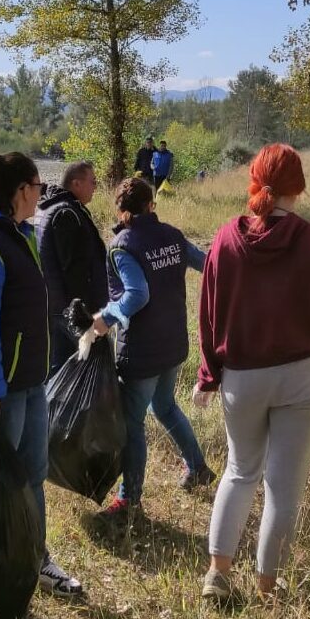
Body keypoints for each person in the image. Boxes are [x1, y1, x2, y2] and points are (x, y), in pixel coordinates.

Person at [195, 144, 310, 601]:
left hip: (243, 378)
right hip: (306, 378)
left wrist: (209, 374)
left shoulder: (226, 239)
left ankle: (217, 574)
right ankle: (268, 587)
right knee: (284, 487)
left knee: (239, 471)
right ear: (298, 187)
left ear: (253, 181)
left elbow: (207, 314)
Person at [0, 151, 84, 598]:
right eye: (37, 188)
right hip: (1, 392)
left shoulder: (18, 234)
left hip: (29, 382)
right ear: (18, 191)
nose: (41, 196)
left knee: (32, 474)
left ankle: (35, 559)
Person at [90, 177, 216, 528]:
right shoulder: (173, 235)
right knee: (165, 406)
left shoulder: (122, 245)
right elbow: (208, 263)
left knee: (133, 425)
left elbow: (137, 294)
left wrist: (105, 319)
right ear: (152, 205)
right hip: (174, 343)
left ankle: (129, 500)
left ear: (121, 211)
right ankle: (198, 468)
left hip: (142, 351)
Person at [33, 161, 108, 372]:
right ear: (76, 184)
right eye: (93, 181)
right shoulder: (66, 213)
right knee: (81, 372)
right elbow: (75, 271)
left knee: (61, 371)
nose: (95, 186)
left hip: (57, 306)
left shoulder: (49, 208)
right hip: (71, 312)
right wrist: (89, 314)